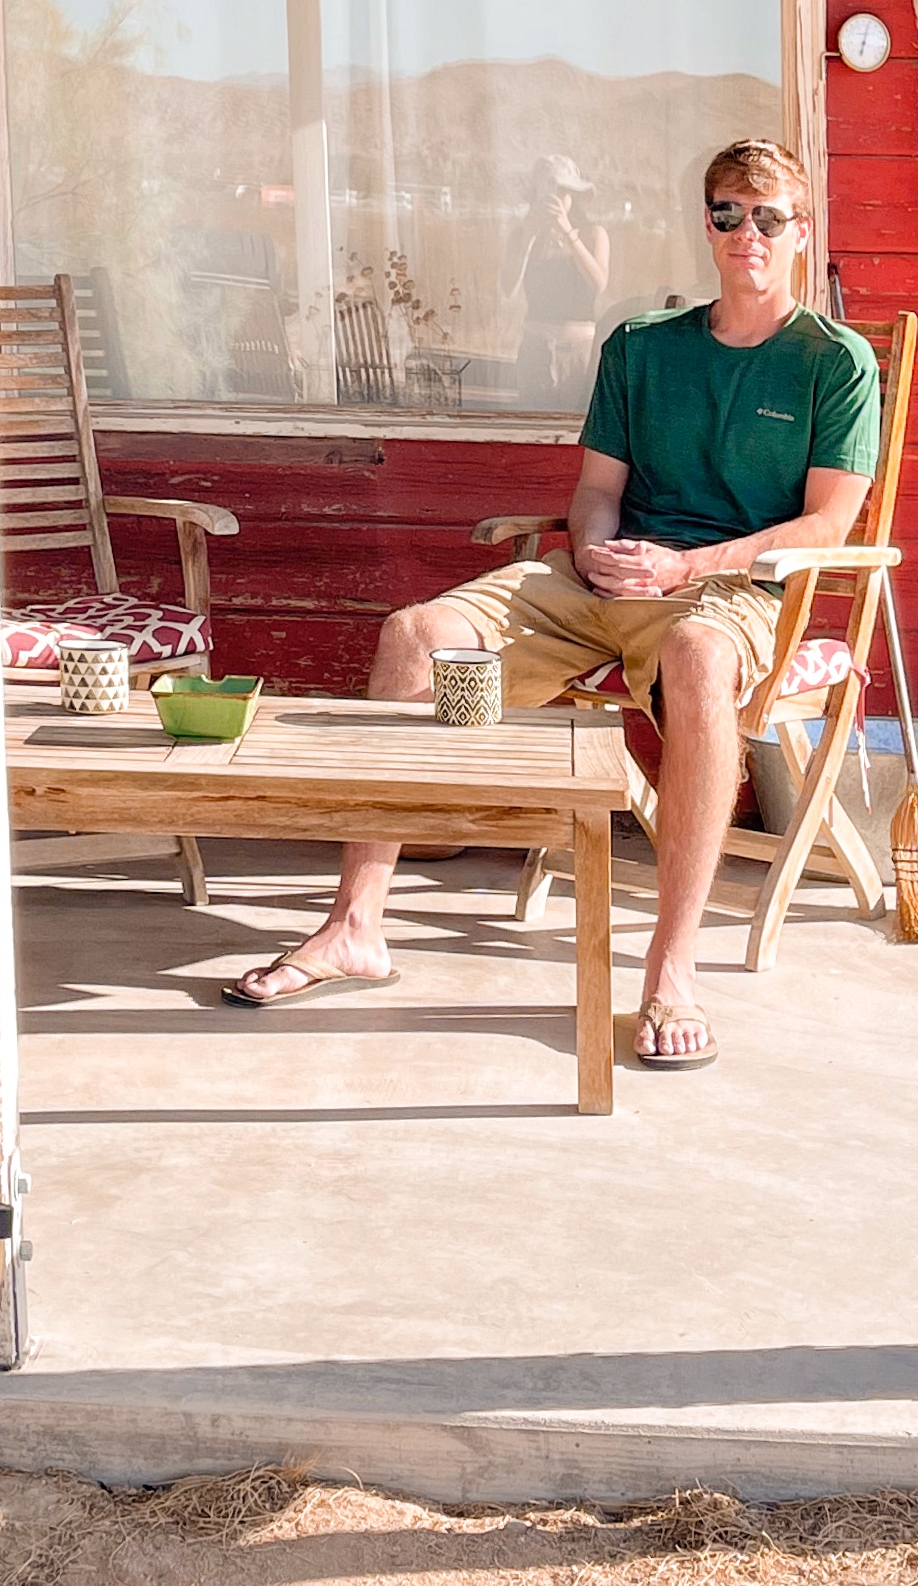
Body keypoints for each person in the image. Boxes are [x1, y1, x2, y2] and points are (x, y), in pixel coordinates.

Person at [223, 136, 878, 1067]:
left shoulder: (835, 361)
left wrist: (684, 570)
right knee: (417, 636)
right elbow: (596, 489)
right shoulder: (644, 348)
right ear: (708, 225)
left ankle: (669, 973)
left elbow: (824, 529)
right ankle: (357, 926)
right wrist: (601, 546)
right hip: (603, 581)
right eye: (730, 214)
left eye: (770, 217)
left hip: (725, 591)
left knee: (695, 657)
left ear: (801, 231)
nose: (749, 235)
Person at [505, 156, 610, 408]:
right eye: (548, 194)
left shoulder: (592, 233)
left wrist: (568, 233)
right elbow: (508, 288)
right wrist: (529, 236)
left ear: (574, 196)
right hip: (536, 349)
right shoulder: (523, 235)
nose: (556, 201)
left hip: (579, 350)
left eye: (563, 193)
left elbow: (599, 283)